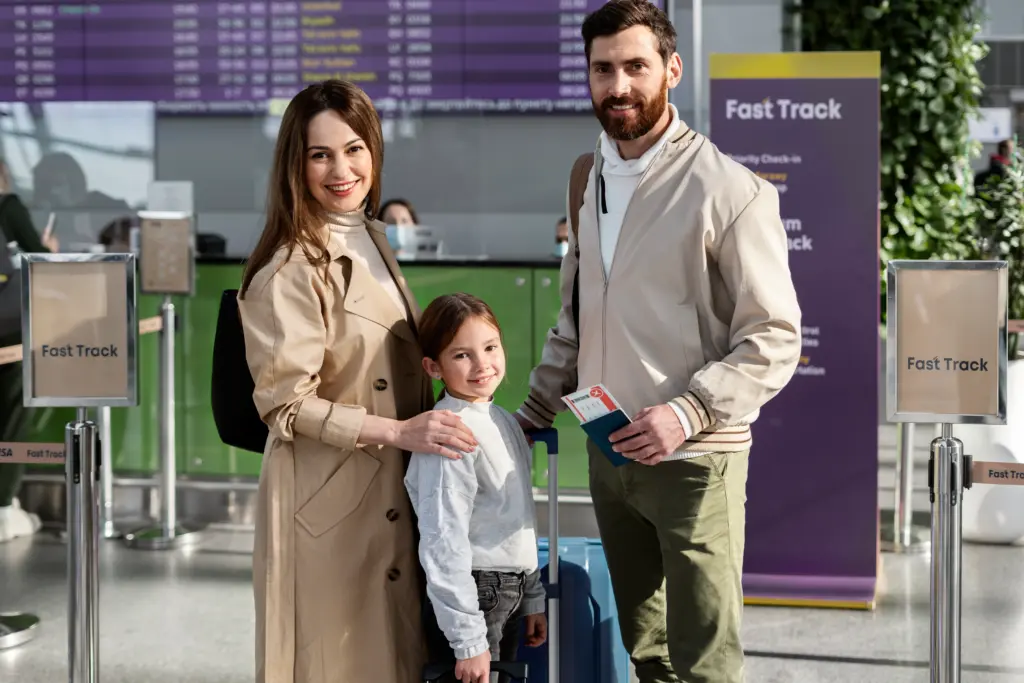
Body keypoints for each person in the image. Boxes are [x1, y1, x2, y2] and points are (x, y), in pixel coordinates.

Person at [514, 2, 802, 682]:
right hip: (607, 450)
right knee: (648, 652)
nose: (619, 86)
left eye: (636, 66)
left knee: (705, 660)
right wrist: (530, 412)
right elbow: (576, 316)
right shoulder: (586, 178)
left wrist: (688, 412)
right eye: (603, 69)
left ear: (671, 69)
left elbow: (775, 337)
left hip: (696, 459)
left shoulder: (731, 191)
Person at [237, 80, 479, 683]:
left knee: (390, 655)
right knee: (336, 661)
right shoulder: (290, 267)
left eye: (353, 149)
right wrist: (399, 430)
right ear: (295, 163)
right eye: (319, 154)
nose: (340, 169)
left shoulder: (368, 234)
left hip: (385, 483)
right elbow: (285, 406)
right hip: (328, 501)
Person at [404, 293, 548, 683]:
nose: (483, 364)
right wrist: (468, 642)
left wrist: (530, 594)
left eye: (490, 347)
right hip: (476, 593)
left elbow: (518, 514)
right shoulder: (449, 429)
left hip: (508, 590)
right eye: (462, 355)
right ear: (434, 367)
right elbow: (442, 539)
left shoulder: (501, 419)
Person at [0, 158, 58, 543]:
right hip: (8, 334)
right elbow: (43, 262)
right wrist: (49, 248)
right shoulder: (8, 206)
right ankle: (4, 508)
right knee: (10, 421)